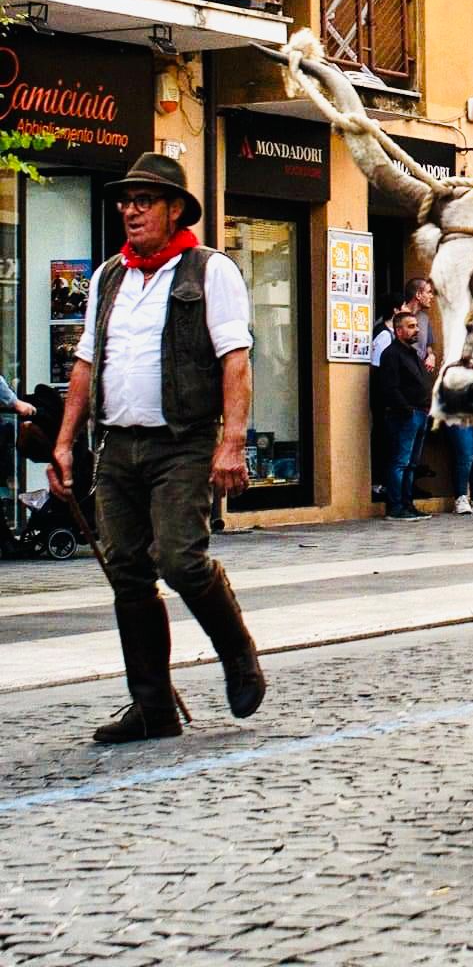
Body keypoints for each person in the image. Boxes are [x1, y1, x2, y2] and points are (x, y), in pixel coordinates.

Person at [48, 151, 265, 744]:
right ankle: (153, 708)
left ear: (174, 210)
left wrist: (233, 442)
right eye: (125, 201)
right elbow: (86, 362)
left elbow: (235, 360)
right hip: (117, 444)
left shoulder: (208, 270)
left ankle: (239, 654)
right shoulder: (108, 277)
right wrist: (64, 444)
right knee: (126, 572)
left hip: (184, 443)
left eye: (144, 201)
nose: (131, 210)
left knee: (180, 559)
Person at [378, 309, 433, 520]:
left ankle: (408, 503)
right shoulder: (391, 354)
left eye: (416, 326)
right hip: (404, 415)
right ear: (398, 330)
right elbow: (390, 388)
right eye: (411, 327)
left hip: (421, 413)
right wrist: (406, 409)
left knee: (412, 463)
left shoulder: (413, 354)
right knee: (400, 461)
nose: (416, 330)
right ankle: (395, 506)